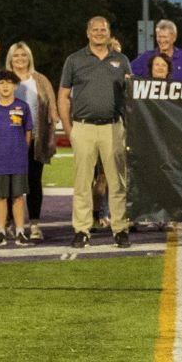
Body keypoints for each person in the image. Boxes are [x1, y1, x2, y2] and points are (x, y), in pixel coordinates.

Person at [58, 16, 134, 250]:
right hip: (84, 126)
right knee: (82, 182)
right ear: (88, 32)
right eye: (95, 29)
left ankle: (120, 229)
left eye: (104, 29)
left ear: (109, 33)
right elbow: (63, 96)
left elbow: (131, 96)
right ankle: (82, 230)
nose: (99, 33)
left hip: (113, 126)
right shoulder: (74, 60)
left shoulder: (121, 60)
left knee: (117, 181)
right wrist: (70, 129)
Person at [0, 70, 38, 246]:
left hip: (18, 160)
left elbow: (28, 132)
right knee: (1, 197)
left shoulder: (23, 107)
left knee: (18, 196)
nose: (5, 86)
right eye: (1, 83)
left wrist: (22, 150)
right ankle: (1, 232)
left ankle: (20, 231)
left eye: (8, 82)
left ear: (15, 85)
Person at [6, 42, 61, 228]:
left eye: (24, 55)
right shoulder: (4, 79)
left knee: (34, 182)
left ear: (29, 57)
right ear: (10, 59)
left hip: (36, 139)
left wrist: (51, 137)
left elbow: (52, 109)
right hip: (10, 140)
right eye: (16, 55)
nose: (20, 59)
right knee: (11, 181)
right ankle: (12, 222)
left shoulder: (40, 79)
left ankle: (34, 223)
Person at [131, 18, 182, 83]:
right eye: (159, 37)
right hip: (154, 103)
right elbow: (127, 73)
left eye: (165, 37)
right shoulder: (147, 56)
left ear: (174, 37)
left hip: (180, 103)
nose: (161, 40)